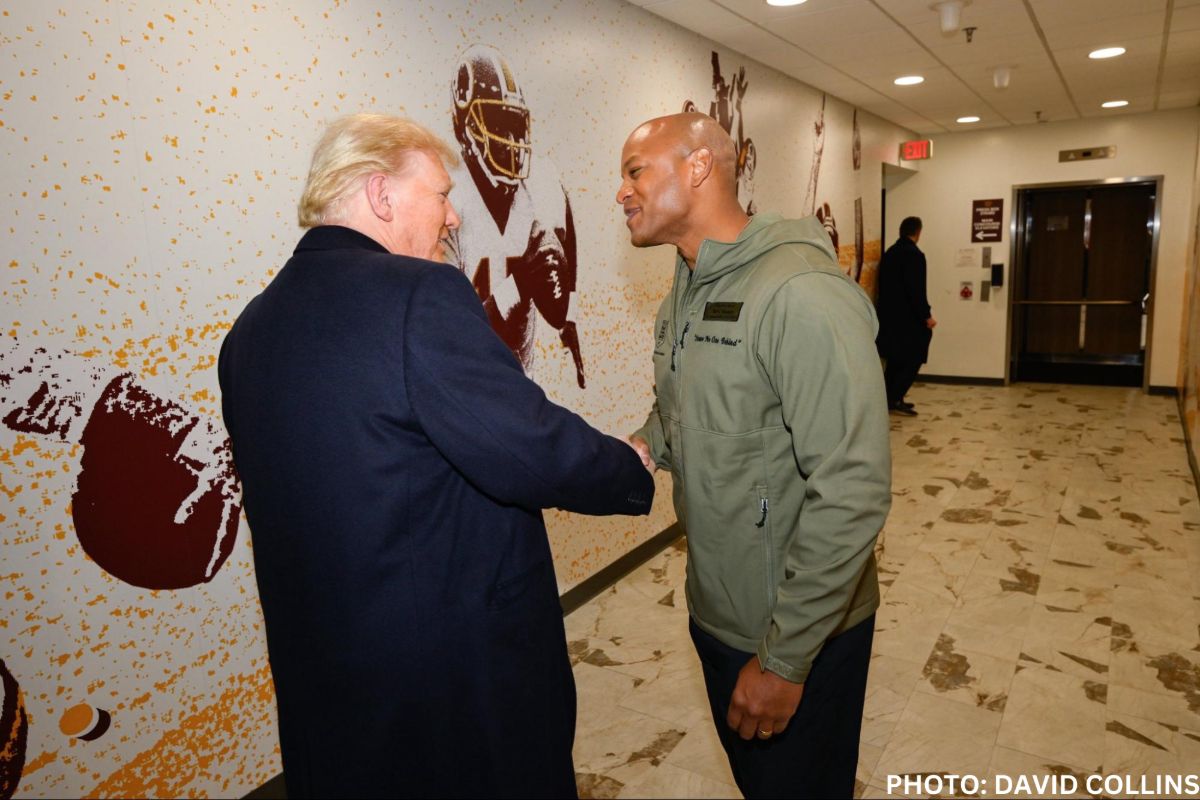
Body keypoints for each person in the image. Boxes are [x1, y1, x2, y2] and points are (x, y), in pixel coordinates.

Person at [218, 113, 654, 799]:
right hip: (453, 685)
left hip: (327, 678)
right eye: (442, 195)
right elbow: (526, 444)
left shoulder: (250, 329)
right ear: (381, 195)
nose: (453, 219)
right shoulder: (418, 295)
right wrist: (628, 467)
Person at [619, 113, 890, 799]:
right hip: (719, 604)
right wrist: (645, 443)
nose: (621, 192)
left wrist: (785, 659)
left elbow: (853, 489)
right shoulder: (686, 286)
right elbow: (689, 407)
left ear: (700, 168)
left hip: (794, 628)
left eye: (634, 171)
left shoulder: (800, 292)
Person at [446, 44, 586, 388]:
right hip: (465, 388)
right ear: (465, 126)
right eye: (496, 123)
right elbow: (453, 333)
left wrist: (568, 316)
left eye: (514, 124)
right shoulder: (449, 199)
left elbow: (567, 245)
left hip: (522, 384)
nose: (509, 141)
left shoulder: (543, 181)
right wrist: (521, 284)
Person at [875, 216, 937, 415]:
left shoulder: (890, 253)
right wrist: (926, 316)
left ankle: (889, 397)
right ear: (918, 232)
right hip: (909, 321)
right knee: (914, 357)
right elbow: (916, 290)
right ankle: (895, 396)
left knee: (894, 360)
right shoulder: (915, 255)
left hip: (888, 319)